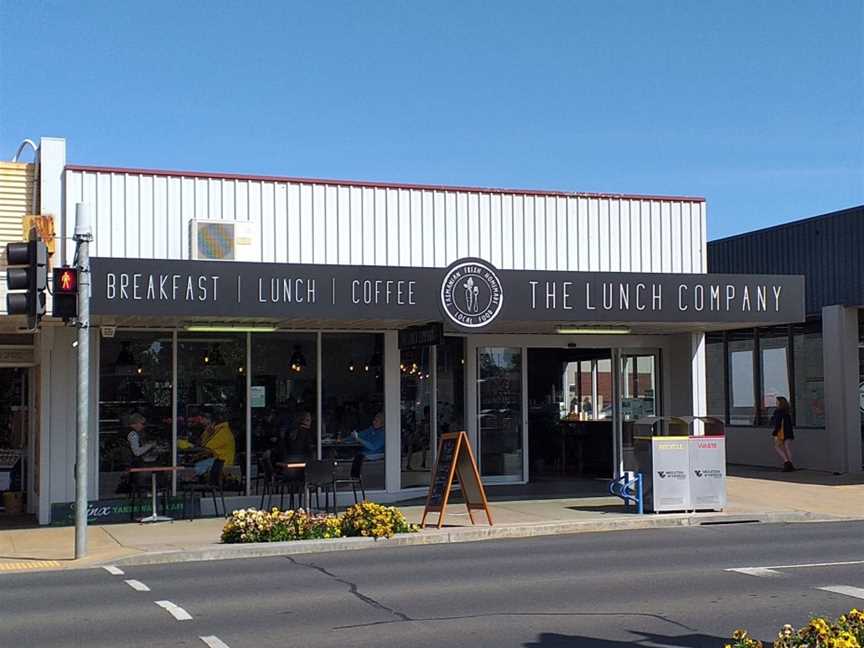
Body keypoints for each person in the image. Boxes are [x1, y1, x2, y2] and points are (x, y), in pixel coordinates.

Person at [770, 396, 795, 472]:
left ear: (780, 403)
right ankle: (790, 464)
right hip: (788, 431)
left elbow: (777, 423)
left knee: (777, 447)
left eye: (777, 401)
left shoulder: (778, 412)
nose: (776, 403)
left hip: (781, 432)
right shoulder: (787, 411)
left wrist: (775, 433)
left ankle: (786, 462)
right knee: (787, 447)